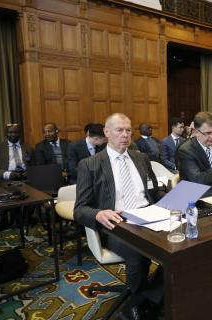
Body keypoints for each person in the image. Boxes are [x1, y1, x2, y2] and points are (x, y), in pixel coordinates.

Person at [74, 113, 163, 320]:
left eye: (128, 130)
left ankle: (145, 298)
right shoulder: (90, 164)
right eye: (119, 130)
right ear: (106, 133)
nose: (125, 135)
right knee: (139, 254)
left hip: (150, 217)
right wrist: (98, 213)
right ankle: (138, 304)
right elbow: (79, 210)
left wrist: (174, 199)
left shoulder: (141, 158)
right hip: (116, 225)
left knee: (182, 247)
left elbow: (154, 191)